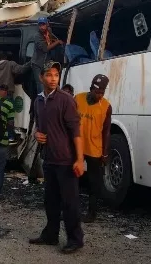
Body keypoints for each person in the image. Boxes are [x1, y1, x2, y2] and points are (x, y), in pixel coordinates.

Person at [29, 61, 84, 254]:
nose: (53, 79)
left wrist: (79, 159)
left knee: (70, 203)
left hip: (66, 160)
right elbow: (39, 125)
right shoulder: (38, 100)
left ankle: (75, 239)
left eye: (56, 75)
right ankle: (50, 235)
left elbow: (76, 131)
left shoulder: (66, 100)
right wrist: (37, 134)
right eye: (49, 75)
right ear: (41, 77)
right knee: (50, 200)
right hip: (49, 158)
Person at [74, 74, 112, 223]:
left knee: (93, 182)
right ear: (91, 89)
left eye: (102, 92)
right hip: (77, 146)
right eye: (97, 92)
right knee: (73, 179)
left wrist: (105, 152)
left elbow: (106, 131)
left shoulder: (106, 106)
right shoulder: (78, 99)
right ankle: (71, 210)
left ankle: (92, 213)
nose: (99, 95)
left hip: (95, 149)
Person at [31, 17, 64, 93]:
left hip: (46, 62)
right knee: (41, 84)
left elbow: (51, 38)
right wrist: (57, 42)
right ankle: (42, 101)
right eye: (40, 25)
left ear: (47, 24)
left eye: (43, 25)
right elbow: (45, 49)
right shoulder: (37, 36)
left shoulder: (49, 31)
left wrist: (55, 40)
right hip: (37, 64)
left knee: (49, 82)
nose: (42, 27)